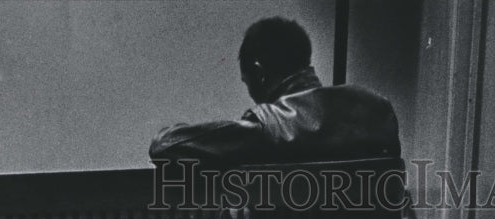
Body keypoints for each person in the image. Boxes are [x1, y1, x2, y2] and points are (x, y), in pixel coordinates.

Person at [149, 16, 401, 165]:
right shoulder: (377, 109)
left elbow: (165, 146)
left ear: (259, 73)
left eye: (248, 83)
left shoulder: (267, 127)